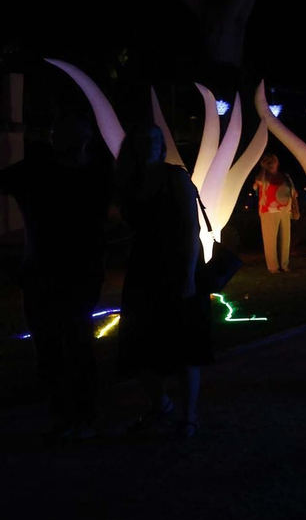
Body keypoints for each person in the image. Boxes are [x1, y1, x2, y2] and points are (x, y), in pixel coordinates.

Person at [0, 116, 113, 437]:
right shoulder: (54, 172)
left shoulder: (83, 173)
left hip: (71, 274)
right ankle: (68, 414)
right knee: (56, 346)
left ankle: (77, 414)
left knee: (69, 345)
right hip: (50, 273)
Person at [115, 125, 208, 439]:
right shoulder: (130, 181)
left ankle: (189, 416)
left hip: (177, 264)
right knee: (135, 340)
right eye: (144, 138)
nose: (151, 143)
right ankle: (161, 403)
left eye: (156, 138)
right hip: (144, 266)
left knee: (183, 343)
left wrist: (189, 274)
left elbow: (191, 229)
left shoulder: (175, 177)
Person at [253, 153, 299, 273]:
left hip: (285, 210)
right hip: (268, 211)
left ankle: (284, 265)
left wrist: (294, 207)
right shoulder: (263, 177)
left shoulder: (285, 176)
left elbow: (293, 193)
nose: (272, 164)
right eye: (268, 162)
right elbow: (258, 181)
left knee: (285, 239)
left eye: (273, 161)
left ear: (277, 163)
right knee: (270, 239)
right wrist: (263, 169)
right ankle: (273, 267)